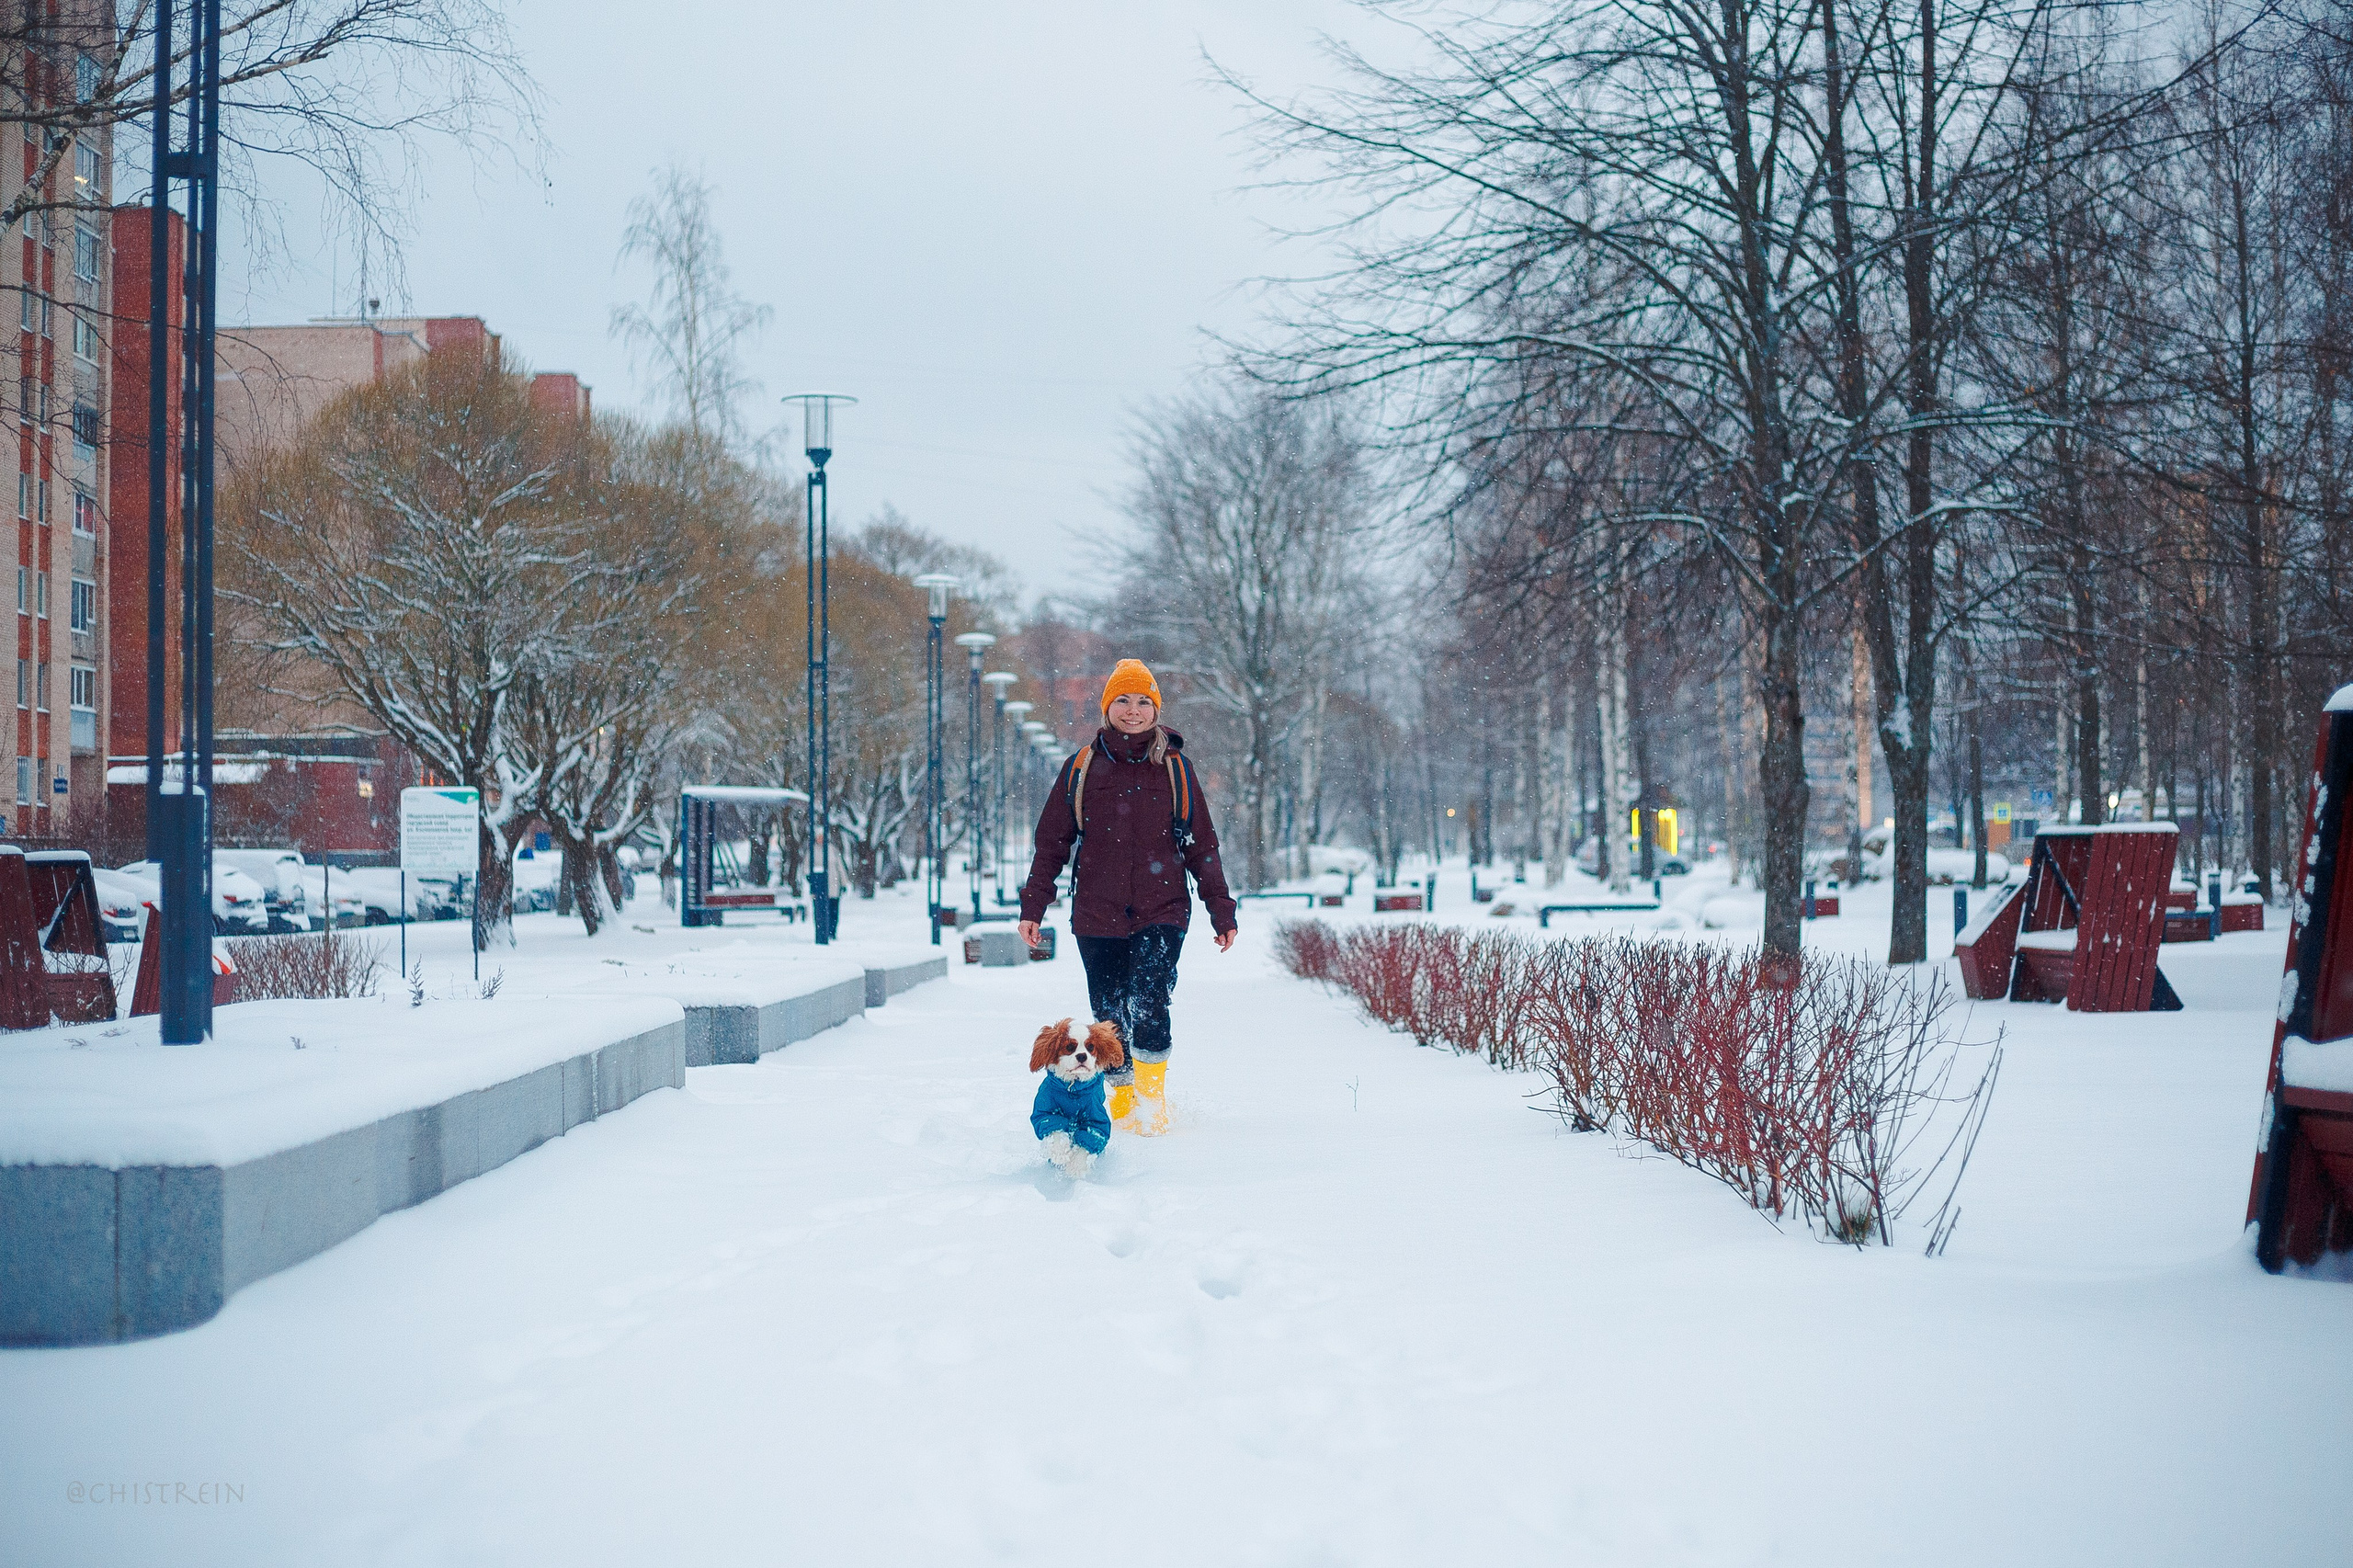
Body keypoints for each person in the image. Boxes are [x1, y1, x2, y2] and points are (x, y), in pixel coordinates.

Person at [1017, 658, 1237, 1135]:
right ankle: (1121, 1101)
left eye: (1143, 701)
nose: (1133, 710)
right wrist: (1033, 905)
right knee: (1110, 1014)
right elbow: (1052, 840)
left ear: (1155, 709)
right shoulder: (1081, 767)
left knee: (1151, 998)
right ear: (1107, 707)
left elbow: (1203, 843)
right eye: (1123, 699)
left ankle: (1152, 1104)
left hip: (1163, 908)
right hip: (1096, 913)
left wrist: (1221, 909)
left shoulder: (1177, 769)